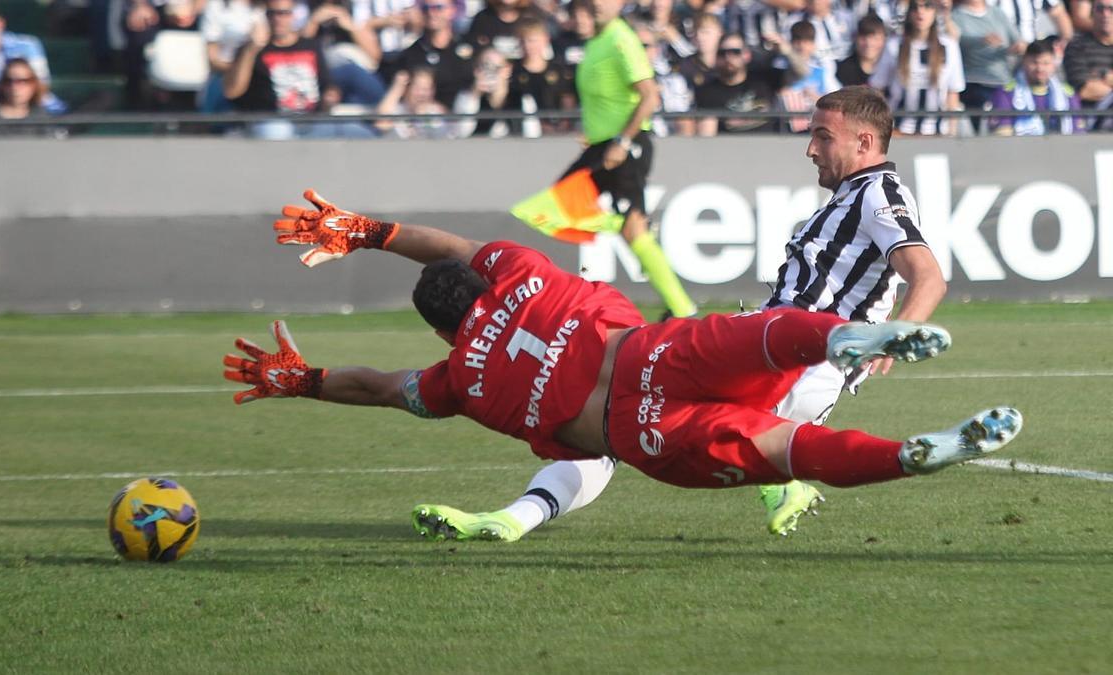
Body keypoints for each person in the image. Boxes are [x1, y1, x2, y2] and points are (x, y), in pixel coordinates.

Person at [222, 194, 1020, 541]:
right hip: (653, 355)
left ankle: (909, 456)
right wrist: (366, 228)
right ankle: (849, 337)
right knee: (761, 331)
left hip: (640, 433)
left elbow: (381, 388)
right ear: (484, 279)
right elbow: (454, 246)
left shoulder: (456, 380)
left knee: (781, 447)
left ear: (439, 329)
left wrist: (306, 379)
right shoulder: (523, 270)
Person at [373, 86, 954, 542]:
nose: (810, 148)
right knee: (621, 421)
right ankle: (520, 516)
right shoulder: (849, 198)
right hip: (776, 341)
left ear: (865, 143)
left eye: (822, 137)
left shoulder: (878, 195)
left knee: (627, 425)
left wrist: (892, 336)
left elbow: (927, 274)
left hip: (802, 361)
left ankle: (803, 469)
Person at [562, 0, 699, 319]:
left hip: (624, 145)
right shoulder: (597, 41)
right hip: (602, 144)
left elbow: (650, 95)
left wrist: (622, 141)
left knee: (562, 207)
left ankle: (682, 308)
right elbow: (604, 98)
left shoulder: (621, 39)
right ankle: (680, 307)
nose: (596, 4)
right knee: (562, 208)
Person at [224, 0, 374, 138]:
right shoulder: (252, 49)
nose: (278, 19)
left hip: (312, 120)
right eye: (272, 13)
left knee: (359, 132)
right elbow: (232, 91)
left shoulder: (311, 46)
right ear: (265, 16)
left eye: (284, 13)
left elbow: (327, 84)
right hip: (272, 119)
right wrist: (251, 50)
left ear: (293, 15)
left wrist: (331, 95)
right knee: (277, 133)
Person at [870, 0, 965, 135]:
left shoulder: (950, 47)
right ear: (909, 12)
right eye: (915, 7)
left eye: (928, 6)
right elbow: (878, 89)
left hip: (937, 132)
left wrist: (952, 133)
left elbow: (953, 93)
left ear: (935, 11)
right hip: (898, 130)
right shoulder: (894, 45)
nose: (920, 12)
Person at [952, 0, 1025, 132]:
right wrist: (981, 41)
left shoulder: (998, 14)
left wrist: (1018, 47)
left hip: (1002, 83)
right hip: (973, 84)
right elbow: (956, 43)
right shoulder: (956, 16)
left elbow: (1017, 41)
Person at [990, 38, 1087, 134]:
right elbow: (1003, 135)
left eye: (1046, 63)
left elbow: (1078, 133)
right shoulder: (1006, 93)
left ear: (1054, 65)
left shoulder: (1067, 94)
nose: (1040, 68)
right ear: (1024, 62)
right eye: (1034, 63)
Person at [393, 0, 476, 108]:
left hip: (464, 117)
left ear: (453, 10)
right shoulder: (412, 54)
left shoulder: (469, 47)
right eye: (426, 9)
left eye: (438, 8)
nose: (431, 13)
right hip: (426, 119)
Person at [1063, 0, 1113, 108]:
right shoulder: (1076, 46)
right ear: (1092, 13)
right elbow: (1085, 91)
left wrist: (1104, 80)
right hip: (1092, 118)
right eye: (1100, 9)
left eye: (1111, 9)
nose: (1106, 14)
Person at [835, 14, 887, 87]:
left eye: (875, 38)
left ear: (884, 39)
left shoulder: (892, 69)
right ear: (855, 38)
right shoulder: (844, 69)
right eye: (863, 38)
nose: (869, 44)